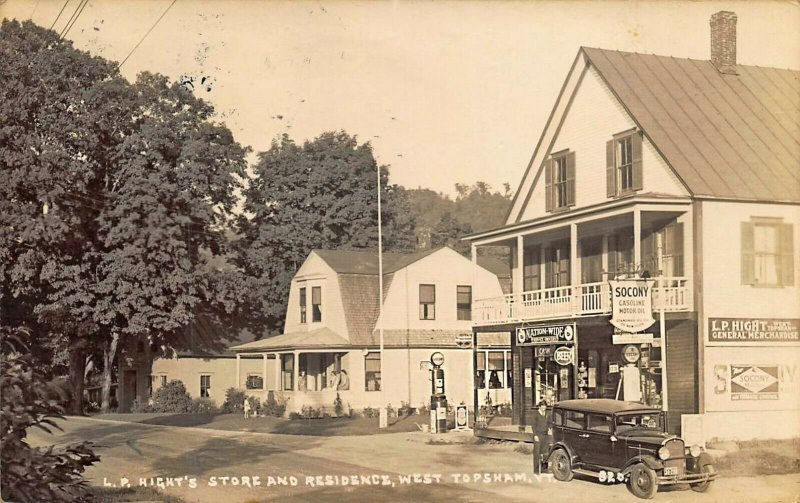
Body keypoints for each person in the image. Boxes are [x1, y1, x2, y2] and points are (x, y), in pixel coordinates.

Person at [531, 400, 552, 474]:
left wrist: (550, 428)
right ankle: (536, 470)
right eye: (542, 407)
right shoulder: (535, 415)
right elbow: (533, 426)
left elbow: (549, 423)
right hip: (538, 435)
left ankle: (544, 469)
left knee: (545, 453)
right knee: (537, 453)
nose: (544, 408)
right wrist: (535, 435)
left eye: (545, 407)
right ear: (539, 407)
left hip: (545, 435)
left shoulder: (547, 414)